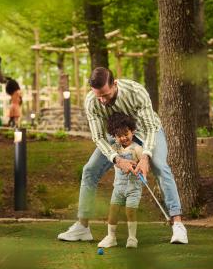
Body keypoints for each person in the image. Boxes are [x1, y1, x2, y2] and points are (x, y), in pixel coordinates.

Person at [57, 67, 188, 244]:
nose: (102, 100)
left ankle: (178, 225)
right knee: (89, 170)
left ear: (115, 84)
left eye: (106, 95)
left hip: (146, 130)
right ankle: (82, 227)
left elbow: (150, 128)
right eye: (98, 96)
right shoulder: (92, 102)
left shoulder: (136, 92)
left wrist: (145, 157)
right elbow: (98, 137)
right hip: (116, 136)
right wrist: (117, 159)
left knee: (160, 166)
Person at [98, 112, 144, 249]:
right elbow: (115, 162)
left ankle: (132, 238)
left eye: (126, 134)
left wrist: (137, 168)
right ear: (114, 136)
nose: (123, 138)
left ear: (132, 131)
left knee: (130, 212)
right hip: (118, 187)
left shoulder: (137, 148)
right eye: (119, 136)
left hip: (133, 188)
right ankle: (111, 238)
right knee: (113, 212)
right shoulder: (114, 149)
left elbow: (143, 166)